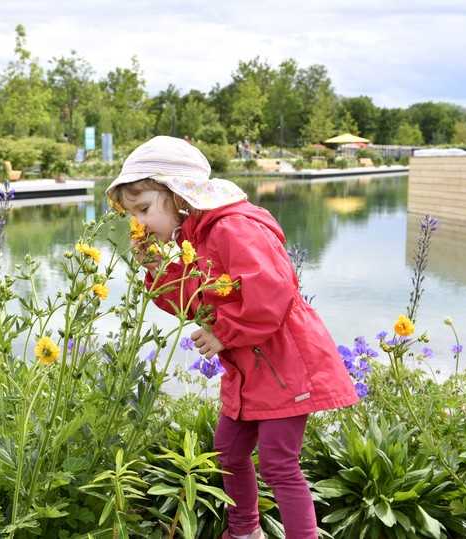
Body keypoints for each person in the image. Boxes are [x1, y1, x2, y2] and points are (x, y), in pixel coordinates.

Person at [106, 136, 359, 539]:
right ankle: (244, 532)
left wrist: (223, 333)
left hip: (284, 363)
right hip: (249, 367)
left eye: (144, 209)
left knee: (278, 463)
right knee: (228, 451)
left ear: (178, 194)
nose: (140, 224)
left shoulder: (232, 227)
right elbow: (194, 303)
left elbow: (271, 292)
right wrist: (157, 270)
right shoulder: (197, 237)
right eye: (133, 215)